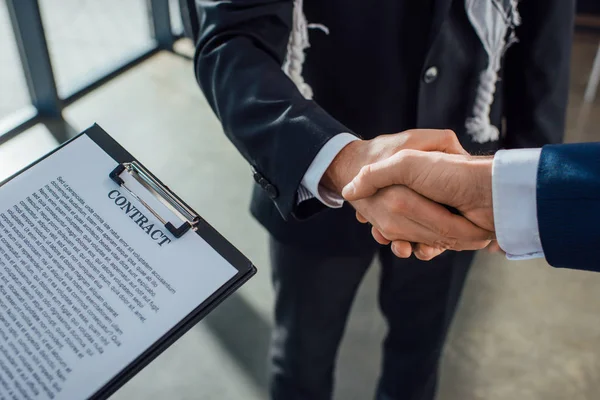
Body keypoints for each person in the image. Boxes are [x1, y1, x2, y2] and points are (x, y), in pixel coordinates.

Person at [192, 1, 573, 399]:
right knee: (301, 357)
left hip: (461, 170)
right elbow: (230, 40)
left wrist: (526, 185)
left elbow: (546, 40)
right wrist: (338, 159)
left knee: (418, 358)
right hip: (315, 157)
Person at [342, 135, 600, 272]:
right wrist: (341, 160)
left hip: (453, 210)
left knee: (424, 344)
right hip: (323, 210)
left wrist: (496, 196)